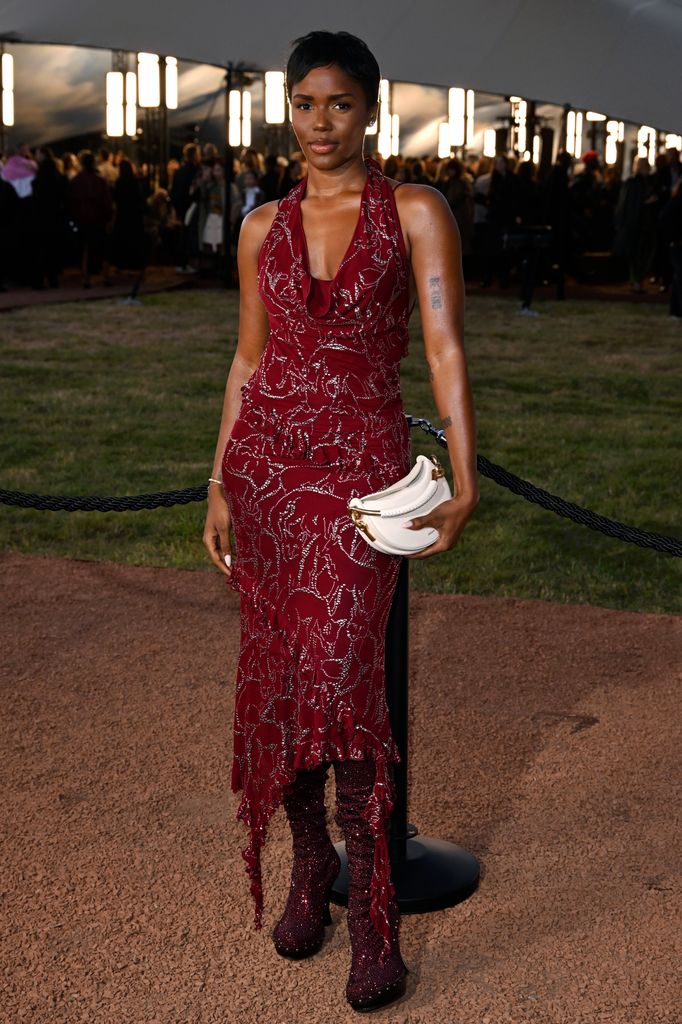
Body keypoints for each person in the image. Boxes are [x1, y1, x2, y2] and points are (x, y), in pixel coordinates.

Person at [202, 30, 478, 1013]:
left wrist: (465, 469)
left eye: (341, 105)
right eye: (305, 105)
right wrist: (218, 482)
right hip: (269, 476)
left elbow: (443, 346)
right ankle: (308, 865)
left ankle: (373, 921)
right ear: (288, 110)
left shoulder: (414, 210)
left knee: (349, 693)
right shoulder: (258, 225)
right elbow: (247, 359)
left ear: (371, 109)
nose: (322, 124)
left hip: (359, 479)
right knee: (281, 687)